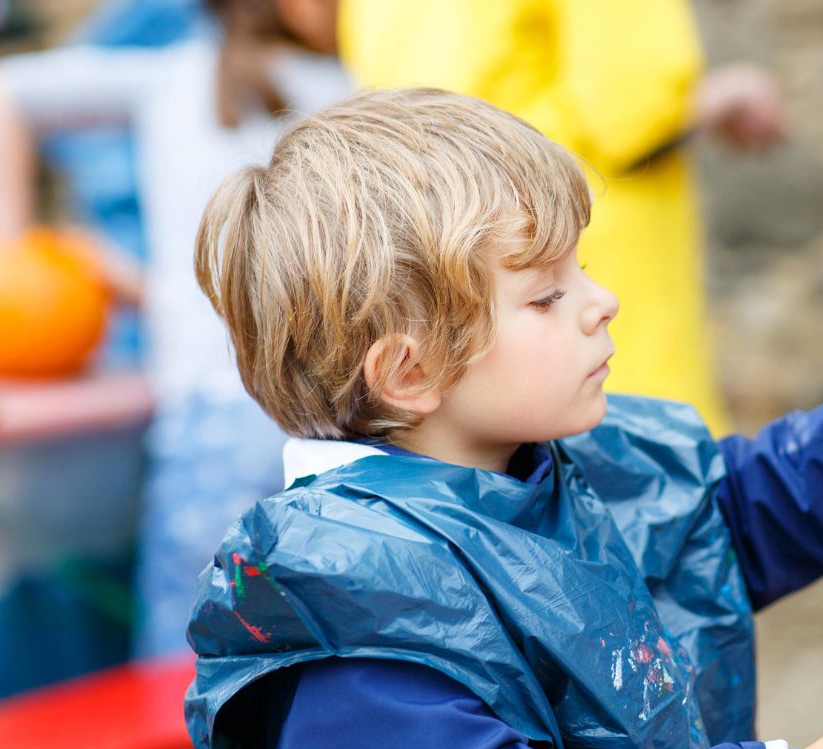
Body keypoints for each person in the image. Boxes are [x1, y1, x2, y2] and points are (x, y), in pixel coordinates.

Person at [158, 88, 823, 749]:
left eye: (581, 268)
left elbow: (718, 525)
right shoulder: (338, 607)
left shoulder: (546, 461)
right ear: (410, 373)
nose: (601, 299)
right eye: (544, 296)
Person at [0, 0, 353, 664]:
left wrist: (15, 252)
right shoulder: (351, 93)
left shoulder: (172, 73)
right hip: (322, 420)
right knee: (306, 660)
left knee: (192, 658)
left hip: (215, 426)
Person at [337, 0, 786, 434]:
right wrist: (723, 94)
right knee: (645, 455)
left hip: (435, 247)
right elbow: (633, 107)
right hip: (574, 239)